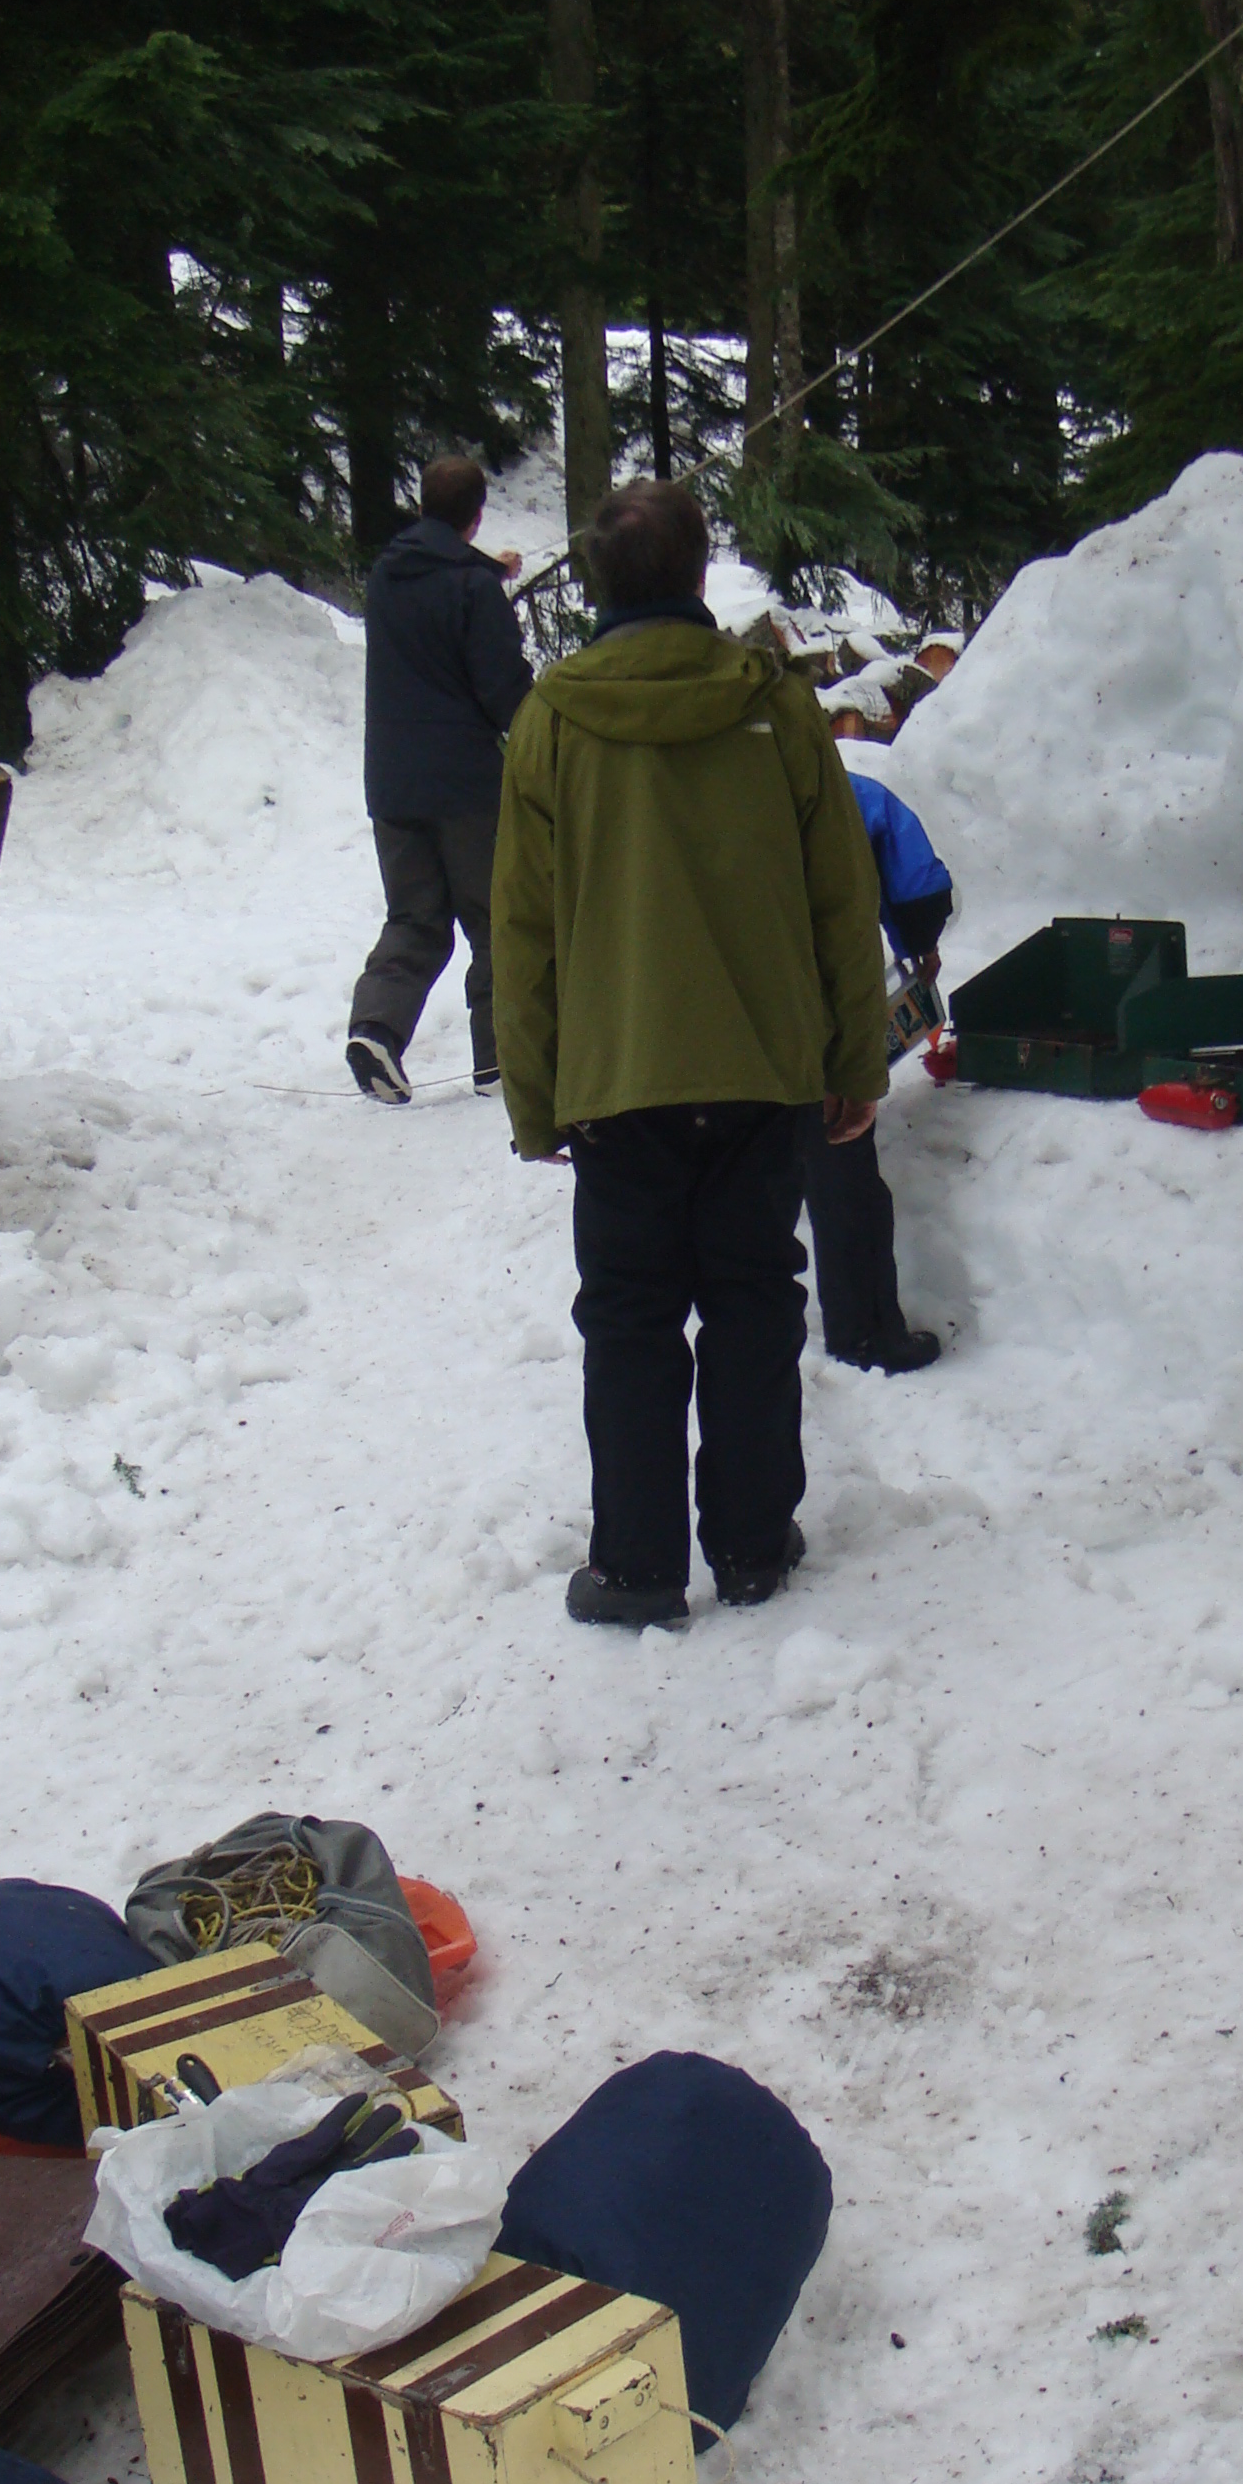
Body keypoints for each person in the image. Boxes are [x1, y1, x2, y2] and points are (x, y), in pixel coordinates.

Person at [492, 478, 889, 1630]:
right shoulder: (778, 706)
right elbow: (841, 897)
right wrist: (854, 1062)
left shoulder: (551, 721)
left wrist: (536, 1099)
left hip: (617, 1080)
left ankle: (637, 1569)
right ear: (699, 571)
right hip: (763, 1070)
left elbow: (523, 930)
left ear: (597, 581)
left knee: (629, 1317)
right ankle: (755, 1546)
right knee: (755, 1302)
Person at [348, 453, 532, 1102]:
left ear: (422, 504)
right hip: (465, 786)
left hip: (392, 782)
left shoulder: (386, 573)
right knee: (494, 920)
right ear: (476, 516)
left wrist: (489, 571)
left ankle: (375, 1030)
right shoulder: (473, 588)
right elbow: (502, 689)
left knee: (415, 917)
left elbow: (438, 578)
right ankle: (500, 1061)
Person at [802, 768, 951, 1373]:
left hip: (702, 1016)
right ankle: (863, 1331)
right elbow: (913, 876)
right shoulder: (841, 789)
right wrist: (917, 938)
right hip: (813, 1011)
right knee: (842, 1171)